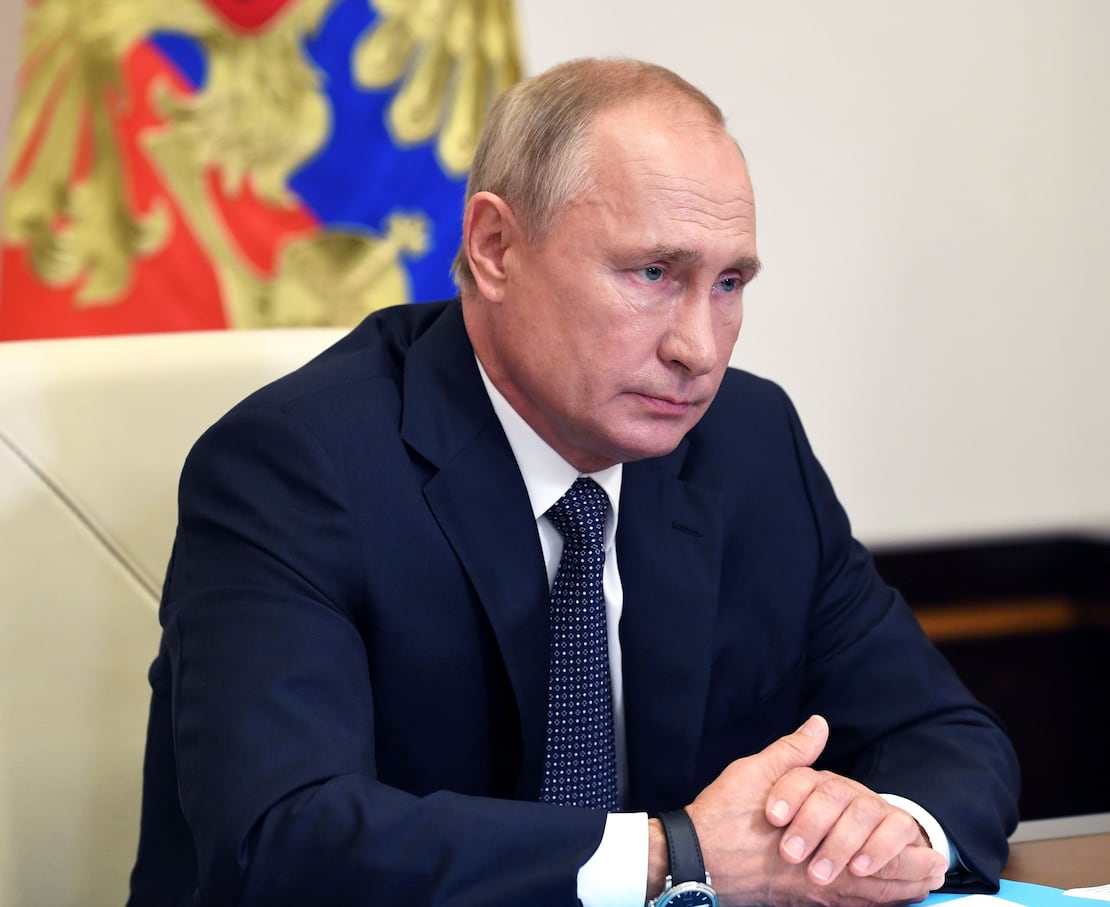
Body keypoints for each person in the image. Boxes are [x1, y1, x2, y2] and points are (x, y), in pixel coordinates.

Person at [128, 58, 1018, 907]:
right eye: (654, 272)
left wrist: (885, 828)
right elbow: (281, 839)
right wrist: (676, 855)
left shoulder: (750, 444)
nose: (698, 348)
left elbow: (946, 736)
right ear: (495, 247)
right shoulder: (296, 465)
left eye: (729, 283)